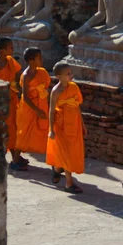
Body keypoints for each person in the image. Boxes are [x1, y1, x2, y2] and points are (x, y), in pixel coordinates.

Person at [46, 62, 87, 194]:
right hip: (61, 125)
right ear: (59, 76)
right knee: (66, 152)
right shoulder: (55, 91)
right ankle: (69, 183)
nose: (71, 76)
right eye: (68, 74)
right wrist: (51, 129)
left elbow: (76, 106)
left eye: (71, 73)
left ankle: (57, 169)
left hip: (74, 123)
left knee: (71, 151)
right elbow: (51, 111)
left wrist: (83, 124)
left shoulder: (74, 87)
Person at [0, 37, 29, 166]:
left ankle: (16, 155)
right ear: (2, 50)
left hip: (12, 97)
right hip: (2, 100)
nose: (13, 49)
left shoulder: (9, 60)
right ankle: (10, 158)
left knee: (15, 126)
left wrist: (17, 87)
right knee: (8, 128)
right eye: (10, 47)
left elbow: (17, 73)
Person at [13, 47, 50, 170]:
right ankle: (15, 160)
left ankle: (53, 161)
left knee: (42, 132)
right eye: (39, 58)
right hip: (29, 107)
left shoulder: (42, 72)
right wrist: (37, 110)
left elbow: (46, 86)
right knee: (24, 132)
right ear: (31, 60)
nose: (42, 60)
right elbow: (25, 96)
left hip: (41, 104)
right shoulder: (26, 75)